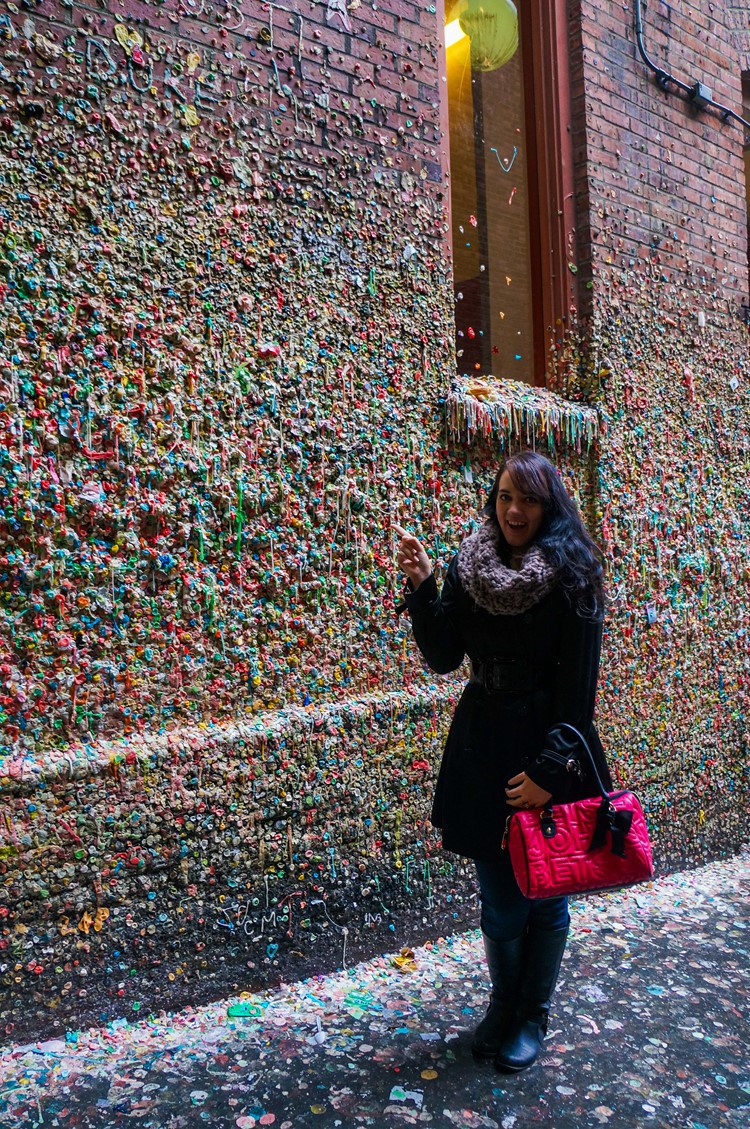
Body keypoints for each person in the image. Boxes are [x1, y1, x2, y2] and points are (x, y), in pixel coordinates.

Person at [395, 450, 612, 1073]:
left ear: (550, 507)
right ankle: (502, 1006)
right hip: (484, 745)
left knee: (544, 893)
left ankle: (533, 1015)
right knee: (498, 895)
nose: (513, 510)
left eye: (529, 499)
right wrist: (424, 584)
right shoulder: (471, 568)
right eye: (504, 496)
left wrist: (549, 774)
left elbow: (579, 690)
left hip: (548, 748)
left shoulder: (574, 575)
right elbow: (443, 656)